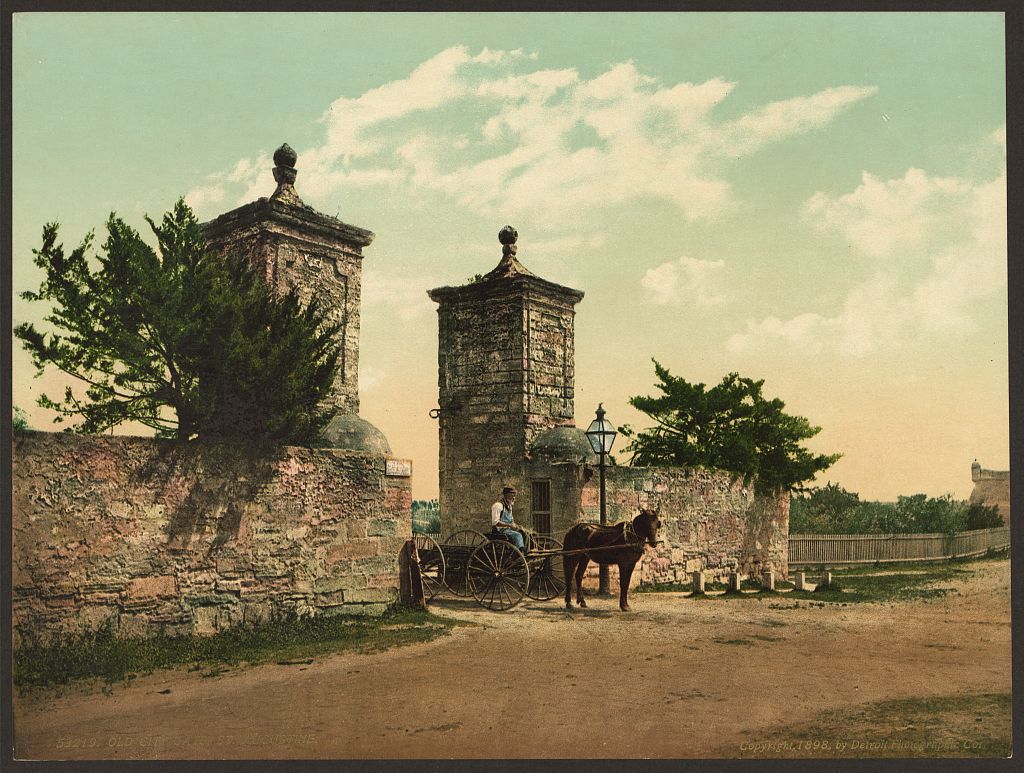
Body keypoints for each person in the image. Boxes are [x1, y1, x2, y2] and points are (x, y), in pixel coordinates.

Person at [491, 486, 527, 552]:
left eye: (515, 496)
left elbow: (511, 521)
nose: (514, 498)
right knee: (517, 535)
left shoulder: (509, 506)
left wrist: (518, 527)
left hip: (507, 530)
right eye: (512, 495)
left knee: (524, 533)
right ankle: (519, 553)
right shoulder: (498, 505)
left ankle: (526, 551)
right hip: (499, 531)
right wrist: (510, 525)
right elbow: (495, 523)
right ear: (507, 495)